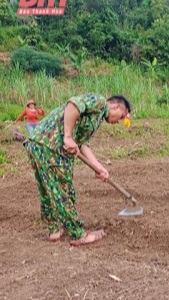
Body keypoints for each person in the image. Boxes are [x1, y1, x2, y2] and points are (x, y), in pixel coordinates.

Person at [23, 94, 131, 246]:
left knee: (47, 190)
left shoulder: (97, 117)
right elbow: (73, 104)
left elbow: (81, 144)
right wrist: (67, 136)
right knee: (64, 190)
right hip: (53, 146)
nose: (118, 121)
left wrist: (99, 167)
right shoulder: (99, 102)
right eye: (121, 117)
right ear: (116, 107)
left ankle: (54, 230)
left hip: (38, 143)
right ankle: (77, 234)